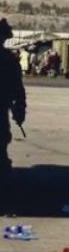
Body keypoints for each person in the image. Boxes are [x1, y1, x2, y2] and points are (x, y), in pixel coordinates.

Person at [0, 19, 27, 180]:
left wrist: (20, 107)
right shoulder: (9, 59)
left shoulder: (9, 60)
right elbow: (18, 88)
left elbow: (17, 88)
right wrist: (20, 108)